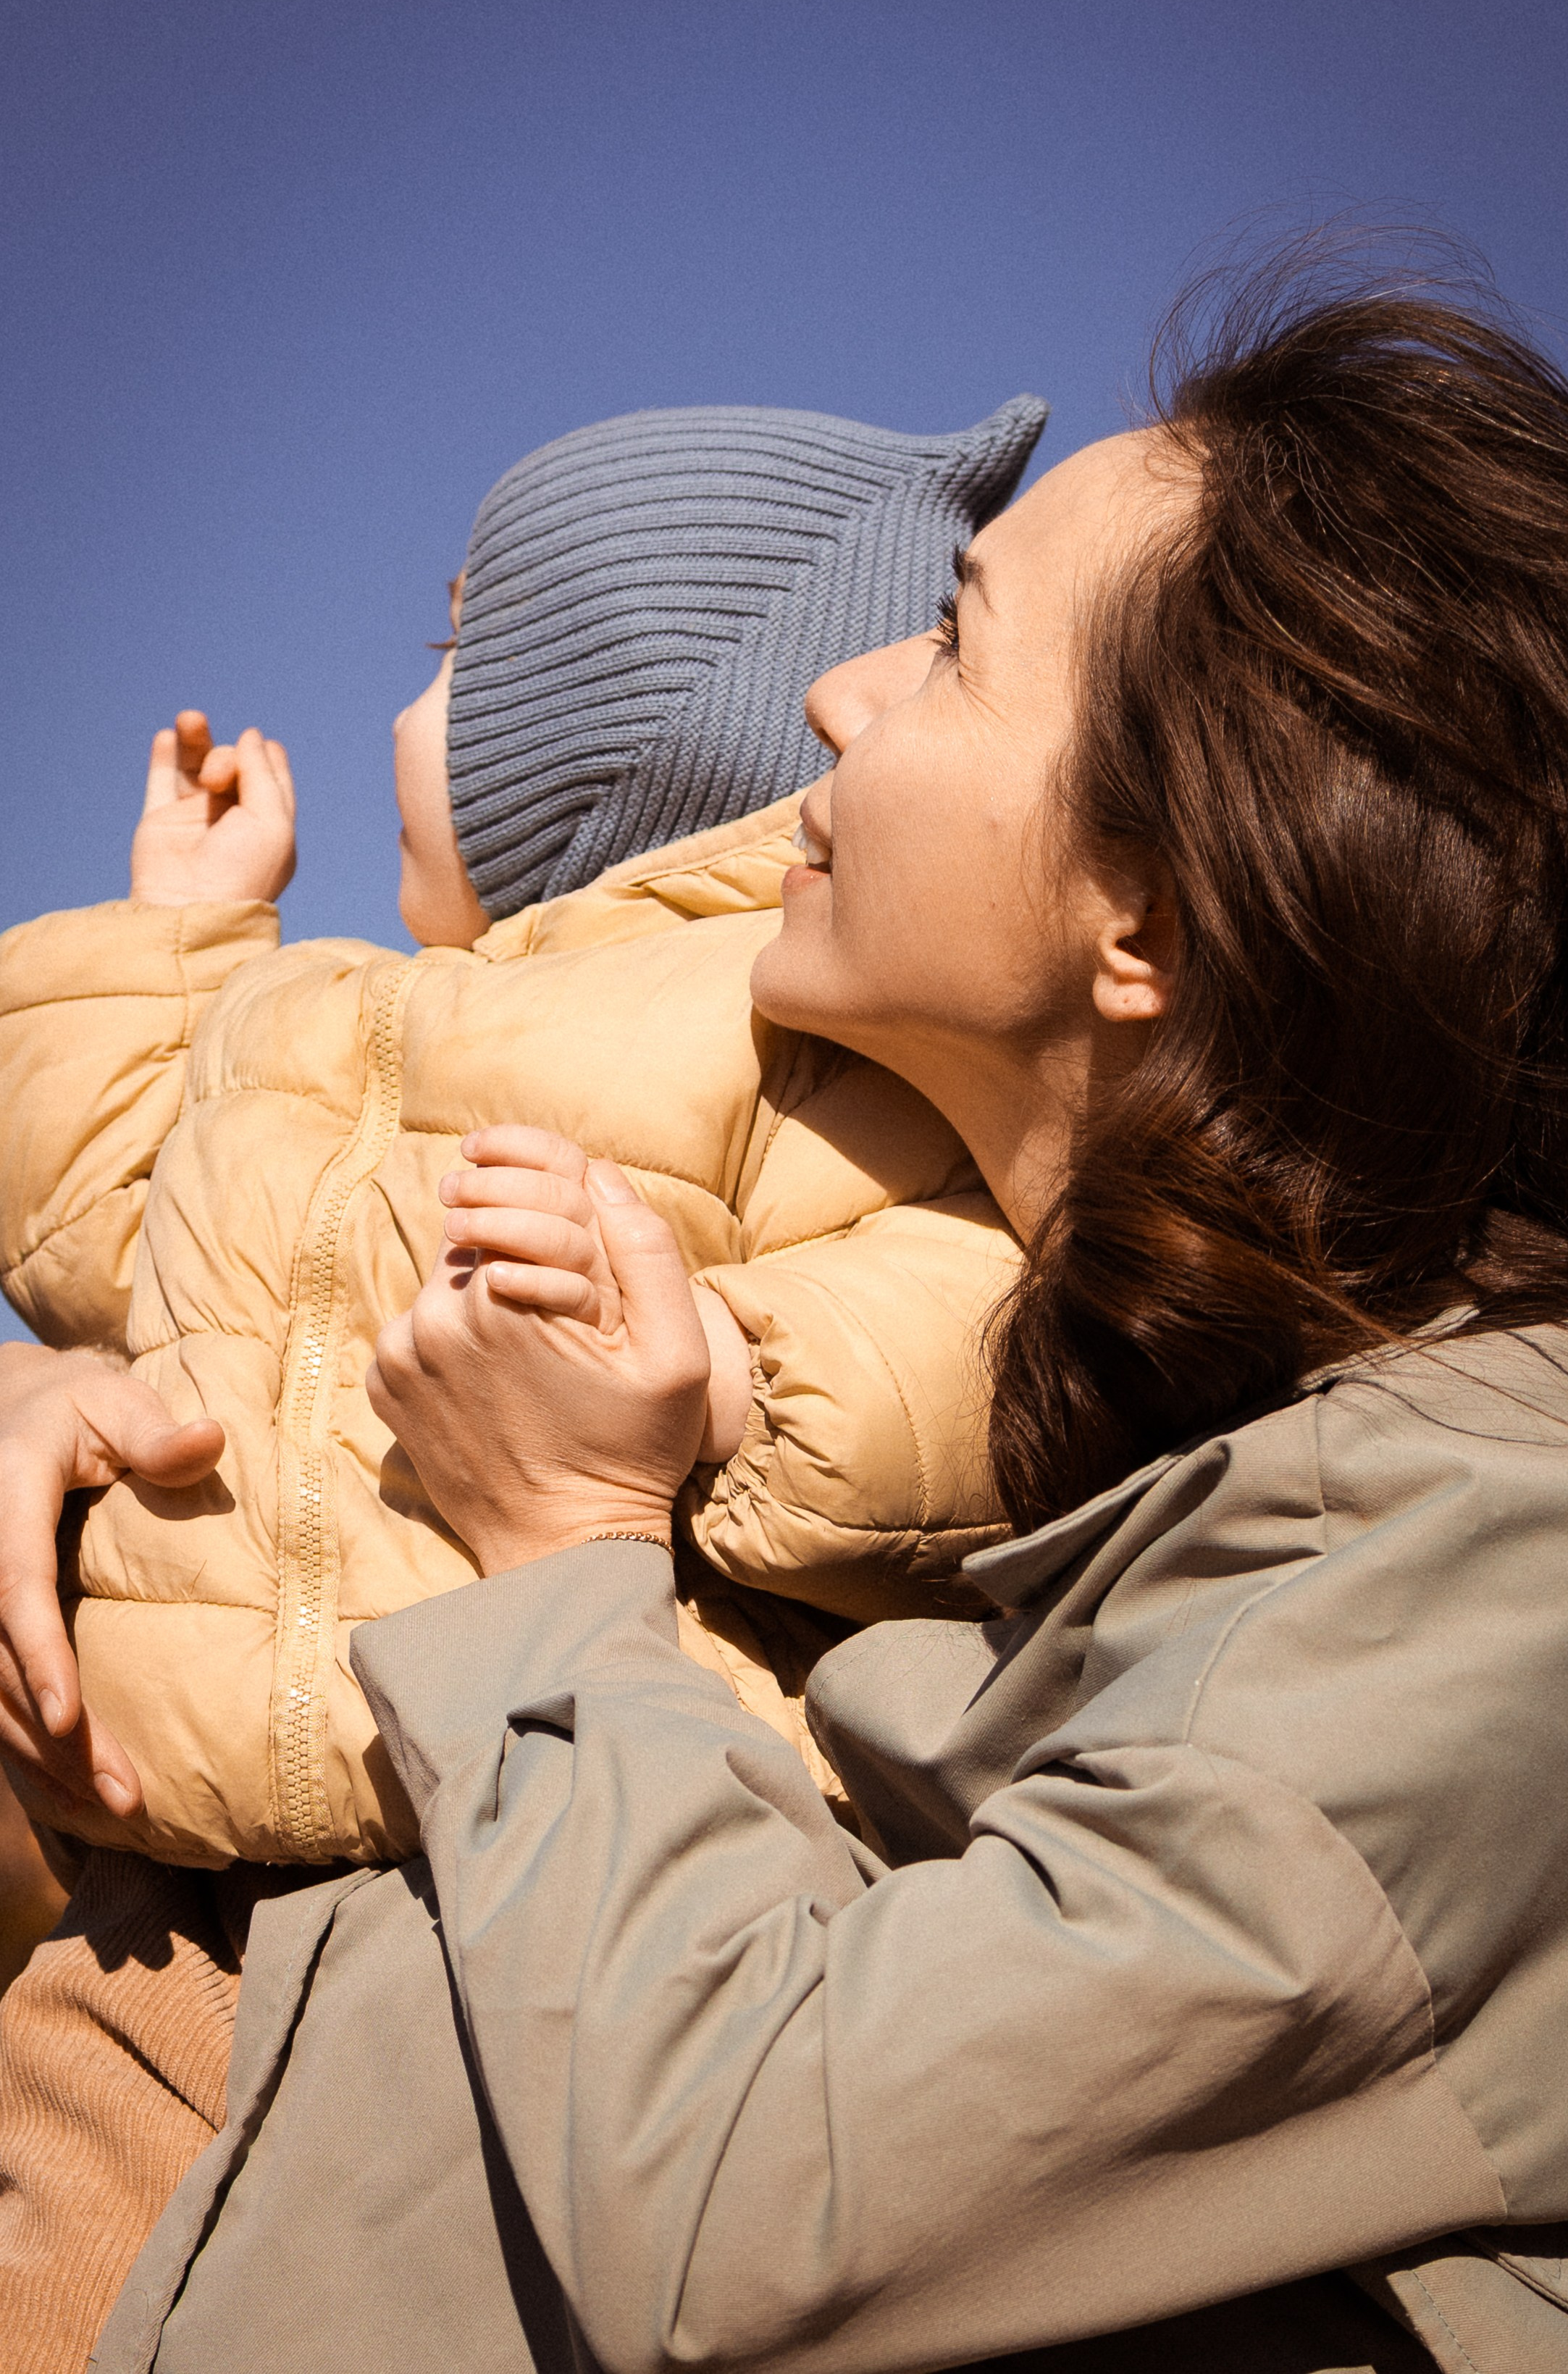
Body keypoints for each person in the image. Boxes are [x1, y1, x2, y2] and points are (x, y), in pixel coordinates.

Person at [11, 259, 1568, 2374]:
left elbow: (757, 2200)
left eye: (958, 647)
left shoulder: (1522, 1557)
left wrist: (570, 1549)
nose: (841, 698)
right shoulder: (1170, 1441)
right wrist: (90, 1415)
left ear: (1148, 911)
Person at [0, 397, 1048, 2370]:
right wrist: (171, 935)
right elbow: (98, 1231)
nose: (414, 704)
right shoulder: (313, 1014)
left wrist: (738, 1372)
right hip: (153, 1910)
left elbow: (974, 1325)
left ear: (596, 726)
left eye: (455, 650)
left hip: (510, 1918)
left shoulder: (812, 1052)